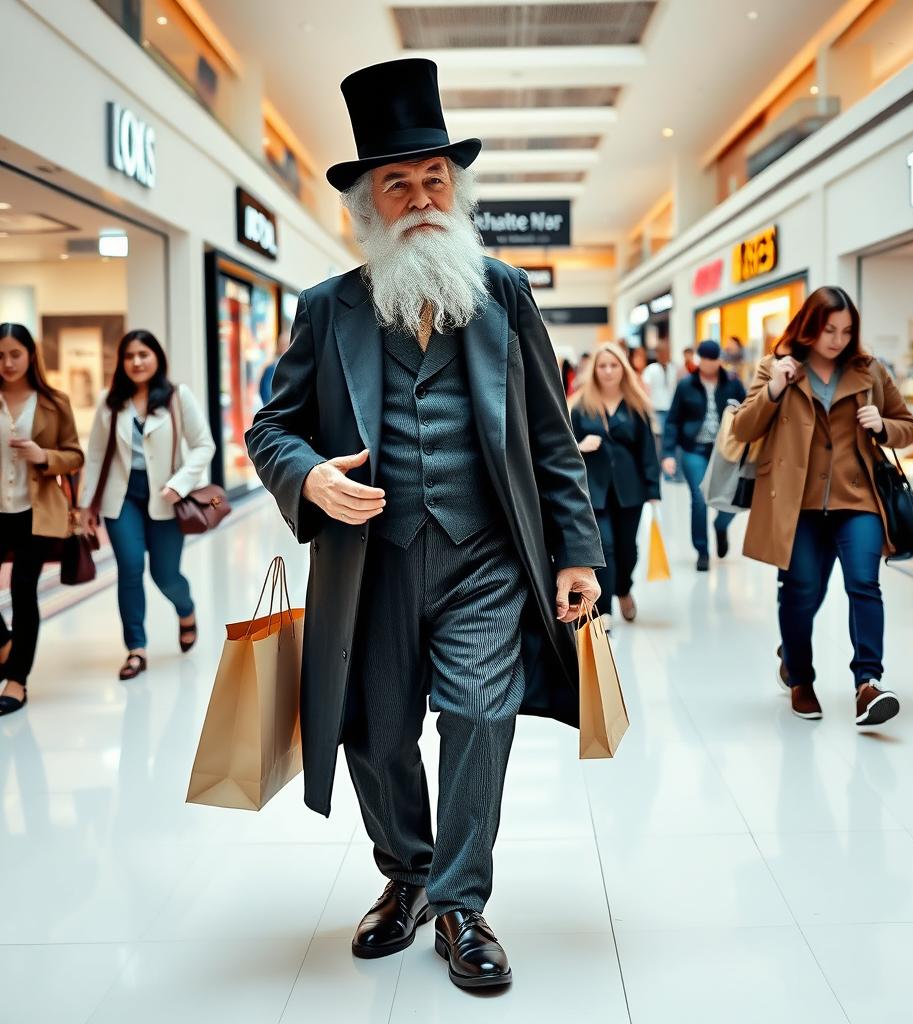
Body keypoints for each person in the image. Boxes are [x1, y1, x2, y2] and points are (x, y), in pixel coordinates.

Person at [245, 58, 603, 992]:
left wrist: (581, 553)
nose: (420, 198)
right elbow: (270, 427)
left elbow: (550, 438)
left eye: (435, 178)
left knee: (482, 715)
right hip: (372, 565)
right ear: (367, 203)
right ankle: (404, 877)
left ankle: (460, 903)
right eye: (397, 183)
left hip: (487, 558)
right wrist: (312, 477)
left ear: (457, 187)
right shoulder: (329, 310)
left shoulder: (505, 294)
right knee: (377, 732)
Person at [732, 286, 913, 727]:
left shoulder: (869, 371)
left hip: (858, 500)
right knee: (799, 592)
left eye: (846, 330)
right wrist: (775, 388)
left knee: (863, 585)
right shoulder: (776, 368)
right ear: (809, 327)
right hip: (797, 505)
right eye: (828, 329)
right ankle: (800, 678)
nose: (837, 339)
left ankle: (867, 684)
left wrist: (885, 426)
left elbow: (909, 427)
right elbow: (743, 427)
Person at [81, 330, 215, 681]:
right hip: (121, 498)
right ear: (122, 363)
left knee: (165, 574)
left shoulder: (176, 397)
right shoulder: (110, 401)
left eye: (143, 354)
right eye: (129, 356)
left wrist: (180, 483)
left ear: (157, 357)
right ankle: (136, 648)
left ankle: (186, 610)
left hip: (166, 498)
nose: (136, 362)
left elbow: (204, 445)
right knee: (129, 569)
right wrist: (85, 505)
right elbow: (95, 456)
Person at [0, 323, 83, 716]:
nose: (7, 363)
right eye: (0, 355)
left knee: (23, 590)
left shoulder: (53, 401)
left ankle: (16, 680)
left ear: (31, 355)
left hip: (36, 511)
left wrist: (43, 456)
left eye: (14, 354)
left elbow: (75, 455)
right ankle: (4, 643)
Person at [570, 344, 660, 630]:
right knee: (605, 547)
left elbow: (648, 451)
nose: (608, 371)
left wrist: (653, 490)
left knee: (627, 549)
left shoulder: (637, 406)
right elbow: (564, 446)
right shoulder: (581, 406)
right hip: (593, 490)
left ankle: (624, 589)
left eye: (614, 365)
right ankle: (604, 606)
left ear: (623, 369)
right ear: (594, 370)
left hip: (629, 489)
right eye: (602, 366)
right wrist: (580, 446)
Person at [661, 340, 745, 571]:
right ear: (700, 359)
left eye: (714, 359)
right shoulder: (686, 385)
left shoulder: (733, 383)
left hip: (726, 452)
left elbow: (750, 412)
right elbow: (672, 421)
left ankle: (720, 526)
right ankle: (702, 551)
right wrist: (668, 453)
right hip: (693, 449)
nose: (710, 364)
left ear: (720, 359)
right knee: (699, 498)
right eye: (705, 359)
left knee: (731, 498)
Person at [641, 338, 678, 459]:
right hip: (657, 409)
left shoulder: (674, 368)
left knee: (671, 439)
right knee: (658, 440)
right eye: (661, 352)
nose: (664, 354)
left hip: (671, 409)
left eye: (666, 351)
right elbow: (645, 391)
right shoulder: (650, 369)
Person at [259, 330, 291, 406]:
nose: (286, 348)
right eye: (283, 345)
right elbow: (265, 393)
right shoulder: (271, 368)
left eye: (288, 345)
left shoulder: (293, 366)